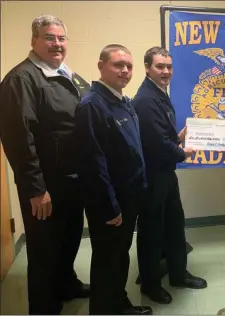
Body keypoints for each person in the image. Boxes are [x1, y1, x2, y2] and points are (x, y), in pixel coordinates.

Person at [0, 14, 90, 314]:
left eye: (61, 38)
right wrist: (36, 189)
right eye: (50, 38)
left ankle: (66, 283)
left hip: (72, 179)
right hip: (46, 185)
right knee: (44, 250)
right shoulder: (21, 79)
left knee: (70, 237)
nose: (57, 44)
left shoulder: (65, 74)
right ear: (34, 41)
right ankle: (44, 307)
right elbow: (18, 139)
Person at [74, 44, 152, 315]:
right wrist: (110, 207)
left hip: (128, 198)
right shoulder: (92, 106)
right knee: (108, 260)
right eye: (118, 65)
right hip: (111, 204)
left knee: (119, 257)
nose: (125, 71)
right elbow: (93, 164)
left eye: (129, 66)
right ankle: (105, 309)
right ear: (101, 66)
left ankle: (118, 304)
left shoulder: (122, 101)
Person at [132, 46, 207, 305]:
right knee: (152, 232)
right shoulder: (144, 100)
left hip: (166, 174)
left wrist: (179, 137)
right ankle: (150, 285)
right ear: (147, 68)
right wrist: (182, 151)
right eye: (159, 66)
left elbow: (162, 137)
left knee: (174, 226)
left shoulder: (159, 94)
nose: (165, 71)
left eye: (168, 67)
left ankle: (178, 274)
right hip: (153, 177)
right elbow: (154, 144)